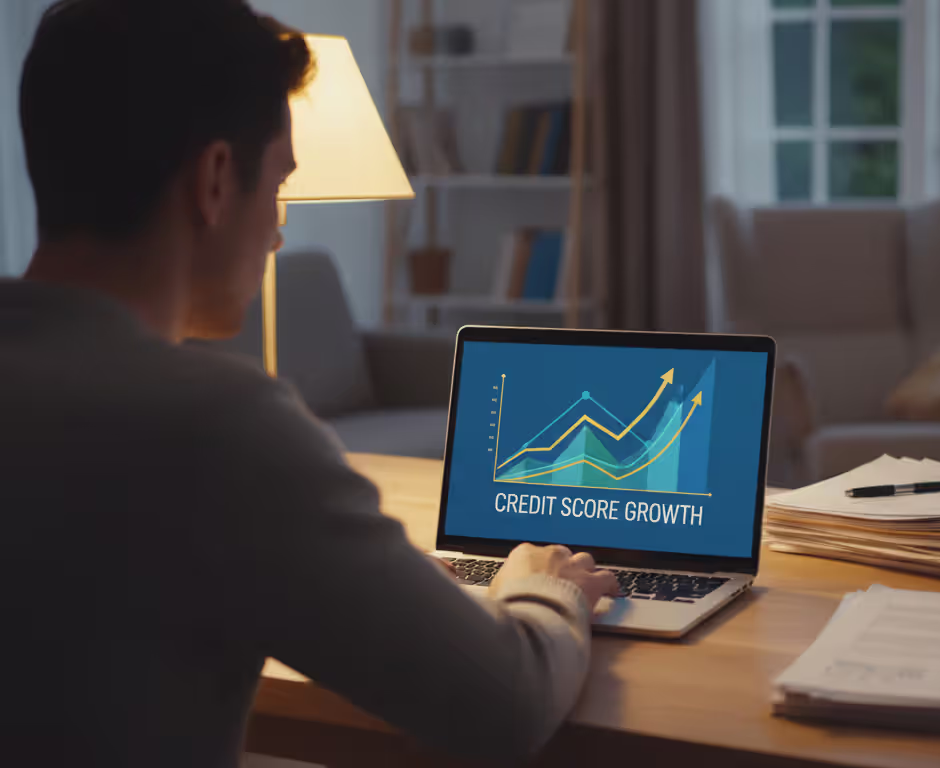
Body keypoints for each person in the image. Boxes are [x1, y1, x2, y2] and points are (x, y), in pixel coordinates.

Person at [1, 0, 617, 765]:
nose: (280, 229)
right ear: (217, 180)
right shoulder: (216, 428)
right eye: (281, 187)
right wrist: (544, 584)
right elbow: (508, 701)